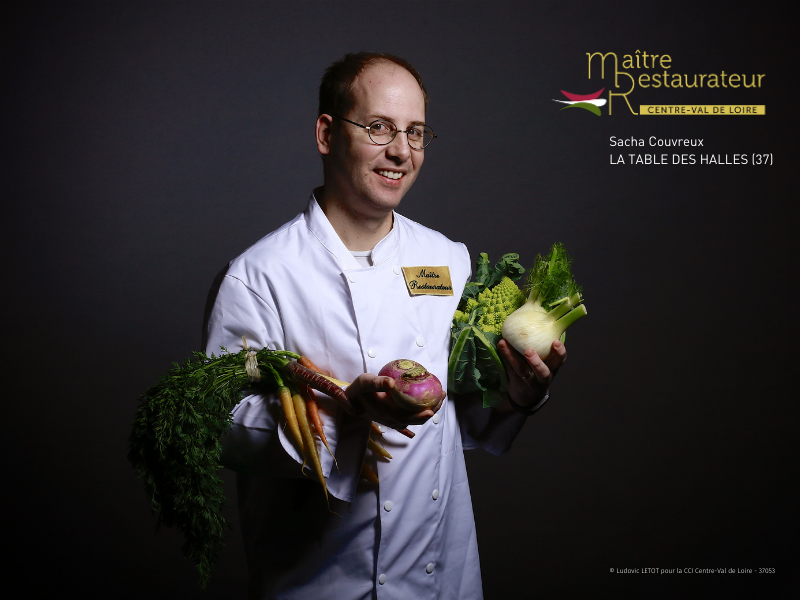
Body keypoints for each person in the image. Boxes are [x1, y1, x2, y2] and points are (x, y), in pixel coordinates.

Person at [204, 52, 567, 600]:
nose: (401, 151)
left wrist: (518, 393)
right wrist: (342, 409)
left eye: (416, 133)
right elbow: (222, 426)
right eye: (379, 128)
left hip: (442, 579)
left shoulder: (448, 259)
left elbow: (458, 416)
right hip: (318, 584)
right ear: (327, 133)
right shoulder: (260, 277)